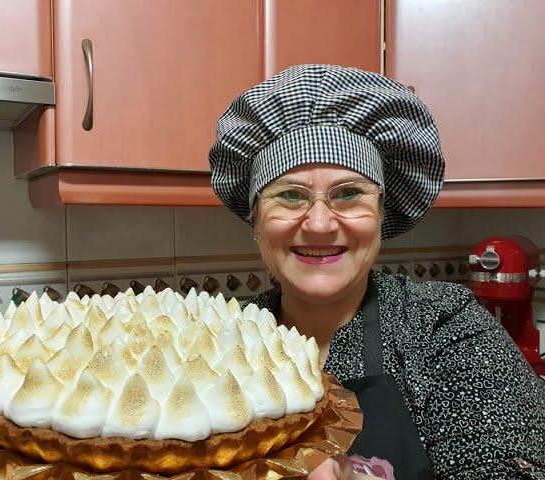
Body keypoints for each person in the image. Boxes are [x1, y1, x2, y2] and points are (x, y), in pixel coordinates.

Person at [208, 65, 545, 479]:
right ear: (256, 221)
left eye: (349, 194)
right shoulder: (220, 343)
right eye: (290, 196)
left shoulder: (443, 328)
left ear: (381, 214)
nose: (319, 224)